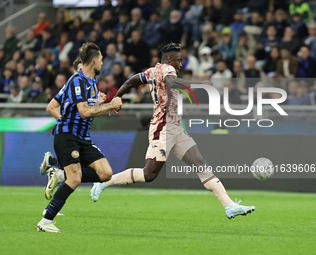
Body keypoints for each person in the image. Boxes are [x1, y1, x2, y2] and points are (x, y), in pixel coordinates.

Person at [90, 42, 255, 219]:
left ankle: (228, 205)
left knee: (200, 163)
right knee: (149, 174)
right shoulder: (168, 69)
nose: (181, 64)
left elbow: (131, 80)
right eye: (179, 60)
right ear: (170, 58)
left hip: (175, 127)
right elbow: (171, 82)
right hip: (163, 127)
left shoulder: (152, 71)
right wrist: (199, 82)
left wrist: (116, 97)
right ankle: (105, 182)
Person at [36, 43, 122, 232]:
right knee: (75, 179)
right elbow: (83, 112)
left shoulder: (92, 83)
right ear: (94, 60)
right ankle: (46, 221)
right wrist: (109, 104)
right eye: (101, 59)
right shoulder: (77, 80)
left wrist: (102, 105)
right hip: (68, 136)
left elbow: (87, 112)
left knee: (105, 173)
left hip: (83, 138)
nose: (102, 63)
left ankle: (59, 173)